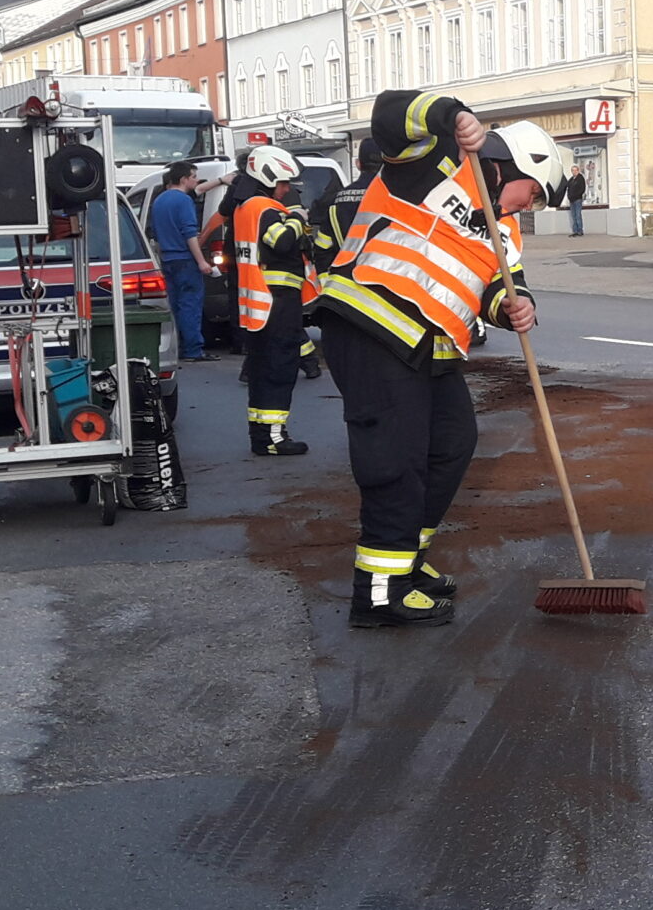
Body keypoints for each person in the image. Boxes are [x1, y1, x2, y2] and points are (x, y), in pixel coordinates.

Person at [314, 94, 570, 628]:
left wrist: (513, 306)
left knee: (453, 444)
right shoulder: (436, 161)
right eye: (534, 195)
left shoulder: (506, 230)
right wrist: (452, 116)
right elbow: (388, 113)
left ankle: (406, 562)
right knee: (396, 461)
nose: (530, 207)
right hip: (370, 327)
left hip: (429, 345)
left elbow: (500, 285)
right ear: (513, 167)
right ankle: (379, 595)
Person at [230, 146, 313, 457]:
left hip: (259, 306)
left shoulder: (244, 207)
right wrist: (297, 218)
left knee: (263, 372)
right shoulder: (266, 209)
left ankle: (262, 436)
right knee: (279, 371)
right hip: (276, 302)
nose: (287, 189)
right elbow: (281, 241)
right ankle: (274, 438)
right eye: (284, 183)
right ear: (269, 179)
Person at [150, 161, 218, 364]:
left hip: (168, 260)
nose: (196, 181)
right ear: (183, 179)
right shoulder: (183, 201)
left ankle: (177, 347)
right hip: (185, 259)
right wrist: (202, 262)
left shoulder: (159, 201)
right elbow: (190, 234)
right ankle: (193, 350)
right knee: (191, 305)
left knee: (175, 305)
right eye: (194, 177)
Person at [564, 165, 588, 236]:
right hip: (571, 200)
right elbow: (568, 188)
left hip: (577, 199)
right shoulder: (571, 180)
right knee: (573, 216)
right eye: (572, 170)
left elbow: (582, 189)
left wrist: (576, 195)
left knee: (578, 215)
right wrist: (569, 196)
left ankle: (580, 230)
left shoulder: (580, 178)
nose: (574, 172)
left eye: (575, 170)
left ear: (578, 171)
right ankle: (575, 231)